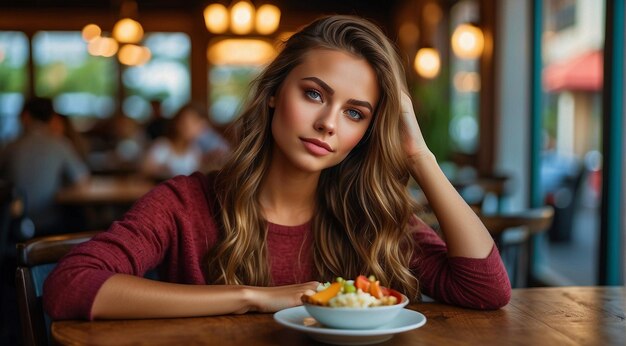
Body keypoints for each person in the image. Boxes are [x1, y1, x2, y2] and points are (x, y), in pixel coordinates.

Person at [43, 15, 511, 321]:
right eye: (314, 93)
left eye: (355, 113)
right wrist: (254, 296)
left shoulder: (368, 216)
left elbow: (487, 289)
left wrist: (418, 155)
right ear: (272, 94)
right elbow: (69, 286)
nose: (328, 123)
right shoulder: (186, 203)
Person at [0, 97, 90, 235]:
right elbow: (82, 179)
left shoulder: (10, 146)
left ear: (26, 116)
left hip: (12, 225)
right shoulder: (60, 144)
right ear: (51, 118)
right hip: (49, 224)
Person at [140, 103, 209, 180]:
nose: (189, 127)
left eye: (196, 123)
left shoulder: (195, 150)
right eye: (185, 122)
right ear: (177, 123)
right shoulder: (162, 146)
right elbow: (145, 173)